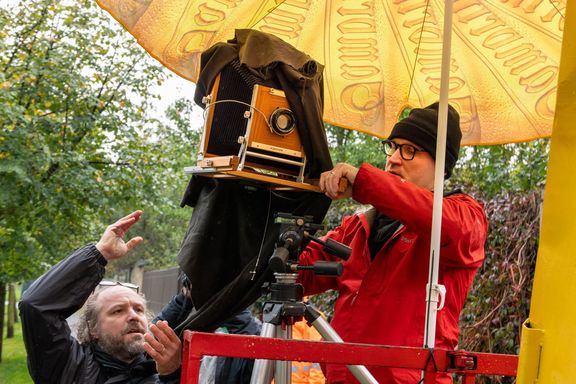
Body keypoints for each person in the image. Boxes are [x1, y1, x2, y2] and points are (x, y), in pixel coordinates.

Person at [298, 102, 488, 383]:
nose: (394, 159)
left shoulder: (465, 215)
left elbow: (444, 223)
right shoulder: (358, 226)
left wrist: (365, 183)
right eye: (393, 147)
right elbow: (299, 269)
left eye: (409, 150)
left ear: (440, 166)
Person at [19, 210, 182, 384]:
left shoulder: (160, 372)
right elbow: (36, 306)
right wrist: (100, 253)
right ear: (93, 329)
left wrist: (172, 376)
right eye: (118, 311)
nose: (134, 316)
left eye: (139, 309)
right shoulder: (68, 367)